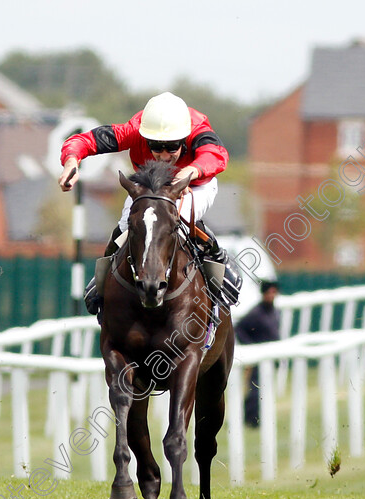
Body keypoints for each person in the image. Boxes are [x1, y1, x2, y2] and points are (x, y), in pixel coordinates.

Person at [58, 91, 242, 317]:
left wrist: (189, 171)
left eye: (172, 146)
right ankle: (103, 280)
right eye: (155, 146)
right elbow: (83, 141)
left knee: (177, 217)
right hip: (151, 187)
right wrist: (71, 161)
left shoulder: (197, 129)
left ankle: (218, 263)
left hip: (195, 184)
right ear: (145, 138)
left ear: (184, 138)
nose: (164, 156)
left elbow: (217, 154)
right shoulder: (134, 130)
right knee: (128, 224)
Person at [235, 279, 281, 427]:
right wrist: (250, 347)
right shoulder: (256, 313)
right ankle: (251, 419)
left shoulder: (274, 311)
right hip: (257, 358)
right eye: (270, 292)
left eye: (274, 292)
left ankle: (258, 418)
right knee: (255, 390)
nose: (272, 296)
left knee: (263, 389)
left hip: (269, 357)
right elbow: (239, 328)